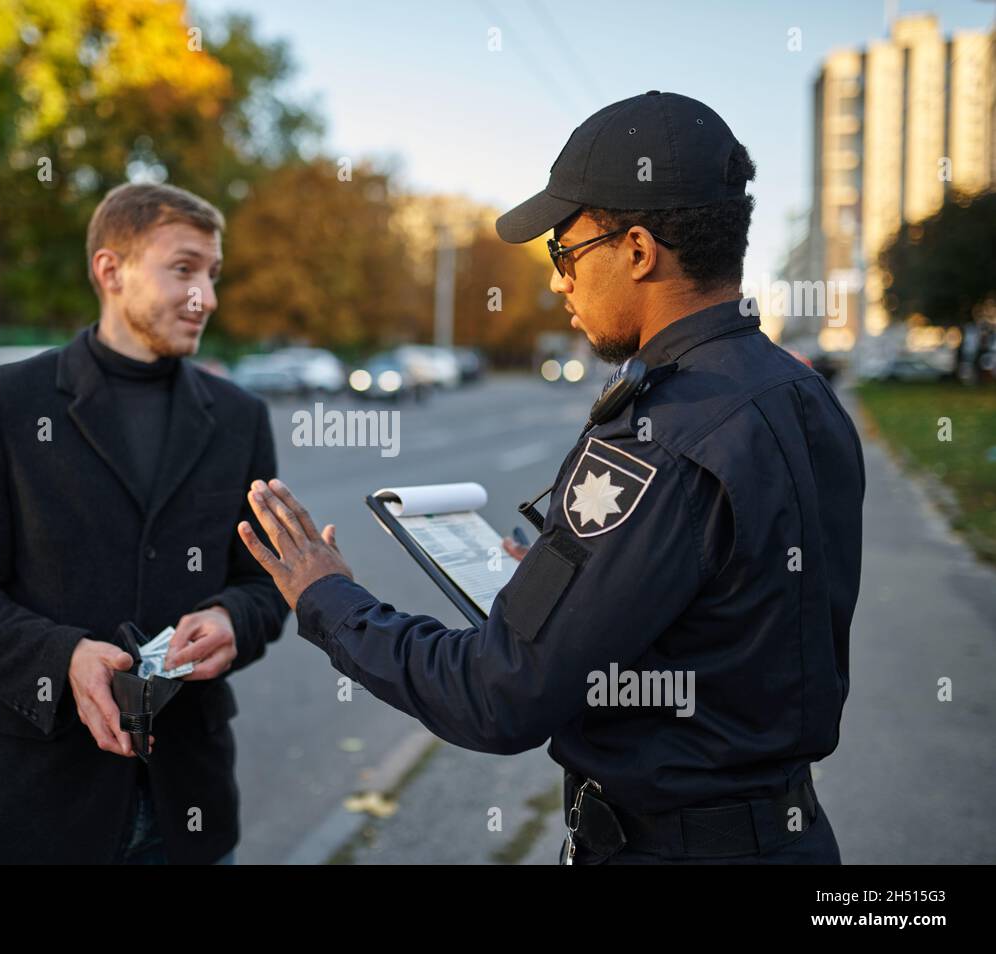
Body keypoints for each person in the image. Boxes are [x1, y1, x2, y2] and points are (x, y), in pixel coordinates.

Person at [237, 92, 865, 865]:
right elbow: (730, 615)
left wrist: (329, 598)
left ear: (638, 250)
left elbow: (497, 695)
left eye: (565, 253)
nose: (560, 282)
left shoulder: (656, 437)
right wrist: (575, 587)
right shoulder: (801, 394)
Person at [0, 183, 287, 864]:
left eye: (213, 274)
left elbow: (264, 583)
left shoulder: (240, 417)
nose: (206, 297)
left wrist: (234, 618)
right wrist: (63, 658)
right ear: (111, 270)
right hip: (42, 809)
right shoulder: (1, 402)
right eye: (184, 268)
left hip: (190, 807)